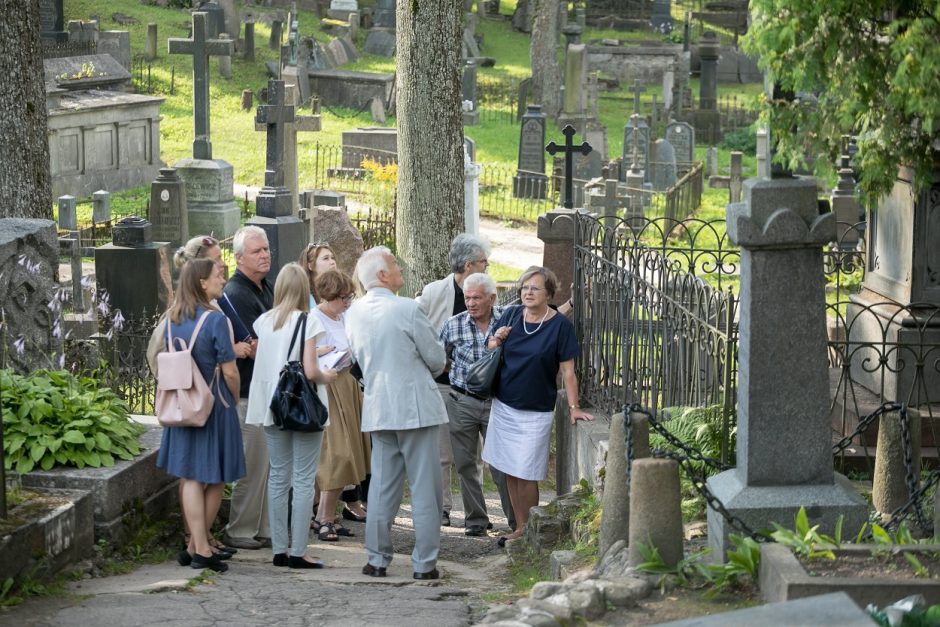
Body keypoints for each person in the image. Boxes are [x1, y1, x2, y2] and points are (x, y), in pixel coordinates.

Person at [345, 246, 447, 580]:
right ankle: (424, 563)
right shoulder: (407, 309)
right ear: (382, 275)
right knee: (424, 486)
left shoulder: (354, 313)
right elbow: (436, 359)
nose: (399, 267)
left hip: (379, 405)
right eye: (393, 264)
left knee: (383, 487)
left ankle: (376, 559)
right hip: (415, 405)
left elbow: (357, 360)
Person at [482, 266, 594, 546]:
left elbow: (568, 371)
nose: (528, 293)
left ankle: (529, 527)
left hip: (536, 410)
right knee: (509, 468)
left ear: (549, 294)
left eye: (534, 288)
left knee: (527, 471)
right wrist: (498, 338)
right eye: (524, 288)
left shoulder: (560, 327)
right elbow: (489, 345)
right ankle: (519, 526)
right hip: (505, 404)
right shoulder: (510, 315)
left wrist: (573, 407)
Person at [155, 258, 245, 572]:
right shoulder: (215, 319)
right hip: (213, 404)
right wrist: (233, 398)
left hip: (181, 403)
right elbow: (230, 370)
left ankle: (195, 545)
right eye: (217, 275)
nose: (223, 278)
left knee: (190, 476)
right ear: (202, 283)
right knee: (216, 477)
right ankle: (202, 548)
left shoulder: (172, 318)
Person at [245, 263, 338, 568]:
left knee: (278, 477)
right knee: (303, 478)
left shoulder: (263, 322)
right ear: (304, 290)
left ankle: (279, 549)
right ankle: (299, 550)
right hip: (304, 408)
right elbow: (310, 371)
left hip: (272, 407)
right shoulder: (308, 322)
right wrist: (329, 375)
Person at [416, 233, 491, 527]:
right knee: (441, 452)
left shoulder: (486, 289)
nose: (488, 266)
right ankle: (442, 507)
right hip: (443, 384)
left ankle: (476, 512)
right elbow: (416, 323)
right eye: (484, 262)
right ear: (469, 264)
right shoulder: (435, 292)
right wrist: (433, 355)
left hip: (479, 389)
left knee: (475, 457)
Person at [439, 273, 515, 537]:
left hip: (498, 403)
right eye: (467, 297)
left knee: (502, 466)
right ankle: (476, 521)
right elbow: (440, 359)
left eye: (476, 298)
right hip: (462, 401)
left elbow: (545, 316)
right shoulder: (452, 325)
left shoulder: (508, 319)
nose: (470, 303)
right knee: (466, 464)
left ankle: (516, 521)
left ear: (492, 298)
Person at [222, 226, 274, 551]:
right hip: (247, 392)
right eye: (257, 251)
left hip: (265, 388)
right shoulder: (237, 293)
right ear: (240, 258)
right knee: (252, 467)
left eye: (266, 249)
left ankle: (265, 528)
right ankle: (240, 529)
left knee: (268, 466)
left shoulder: (264, 287)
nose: (265, 254)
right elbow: (253, 345)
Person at [311, 270, 371, 541]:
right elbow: (308, 356)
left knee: (351, 455)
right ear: (329, 296)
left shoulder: (344, 315)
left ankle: (328, 515)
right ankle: (322, 516)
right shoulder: (314, 318)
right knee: (338, 453)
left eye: (349, 297)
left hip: (348, 384)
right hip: (328, 388)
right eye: (343, 298)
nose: (347, 302)